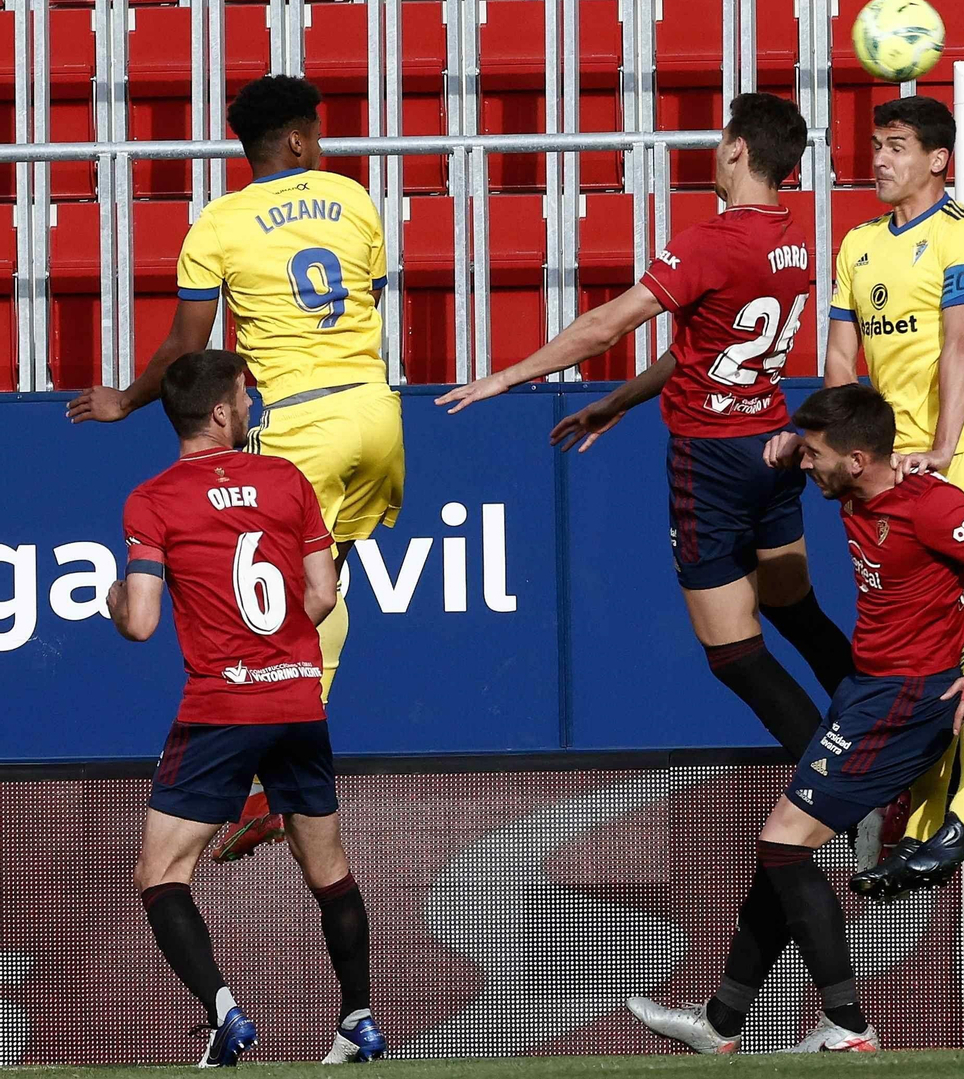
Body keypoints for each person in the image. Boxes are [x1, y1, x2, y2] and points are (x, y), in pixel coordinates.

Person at [627, 383, 964, 1053]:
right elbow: (824, 445)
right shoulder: (857, 484)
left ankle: (848, 1025)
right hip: (865, 692)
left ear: (856, 459)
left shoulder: (931, 504)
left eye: (817, 454)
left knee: (783, 845)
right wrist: (790, 441)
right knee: (782, 851)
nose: (807, 465)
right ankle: (723, 1020)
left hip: (907, 702)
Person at [438, 93, 853, 759]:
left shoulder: (711, 241)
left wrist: (511, 375)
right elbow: (700, 349)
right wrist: (621, 401)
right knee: (796, 612)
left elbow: (608, 324)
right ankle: (886, 748)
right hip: (773, 446)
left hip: (710, 460)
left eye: (722, 144)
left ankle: (834, 790)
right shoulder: (794, 239)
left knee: (735, 654)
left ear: (737, 149)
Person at [70, 74, 405, 863]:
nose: (321, 145)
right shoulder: (353, 198)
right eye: (316, 134)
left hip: (295, 418)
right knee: (330, 581)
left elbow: (189, 346)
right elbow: (374, 296)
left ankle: (264, 776)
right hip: (376, 409)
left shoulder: (217, 224)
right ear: (296, 141)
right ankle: (283, 762)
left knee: (260, 600)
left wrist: (125, 398)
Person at [111, 350, 383, 1066]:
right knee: (328, 868)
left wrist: (116, 596)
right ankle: (358, 1020)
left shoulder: (154, 499)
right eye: (246, 395)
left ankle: (227, 1016)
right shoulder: (286, 480)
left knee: (161, 873)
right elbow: (322, 595)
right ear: (224, 411)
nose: (253, 406)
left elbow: (139, 622)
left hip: (224, 705)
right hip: (297, 695)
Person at [796, 95, 964, 894]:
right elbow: (838, 355)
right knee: (932, 654)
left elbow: (961, 345)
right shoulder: (857, 245)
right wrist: (827, 442)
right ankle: (928, 819)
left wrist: (943, 445)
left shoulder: (962, 233)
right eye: (876, 144)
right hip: (900, 471)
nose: (880, 158)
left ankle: (960, 815)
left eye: (896, 145)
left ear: (938, 159)